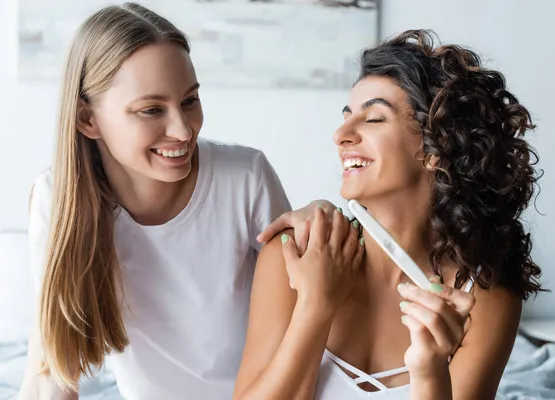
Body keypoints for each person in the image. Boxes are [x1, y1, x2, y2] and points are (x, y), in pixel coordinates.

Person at [18, 3, 350, 399]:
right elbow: (50, 372)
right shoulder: (57, 201)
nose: (182, 129)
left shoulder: (245, 178)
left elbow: (312, 322)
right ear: (88, 119)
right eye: (151, 110)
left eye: (190, 101)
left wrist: (321, 221)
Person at [234, 29, 543, 399]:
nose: (341, 134)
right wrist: (316, 304)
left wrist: (430, 370)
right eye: (347, 116)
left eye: (374, 119)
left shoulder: (482, 296)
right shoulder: (294, 255)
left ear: (436, 150)